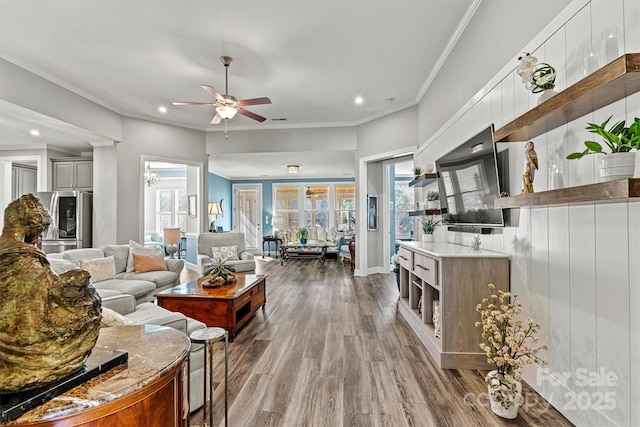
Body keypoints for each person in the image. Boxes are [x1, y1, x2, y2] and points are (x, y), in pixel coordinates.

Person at [0, 194, 101, 393]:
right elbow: (41, 293)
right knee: (89, 302)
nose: (39, 236)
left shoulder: (16, 251)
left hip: (14, 327)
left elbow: (34, 290)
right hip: (26, 333)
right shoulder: (21, 256)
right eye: (39, 231)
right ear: (28, 223)